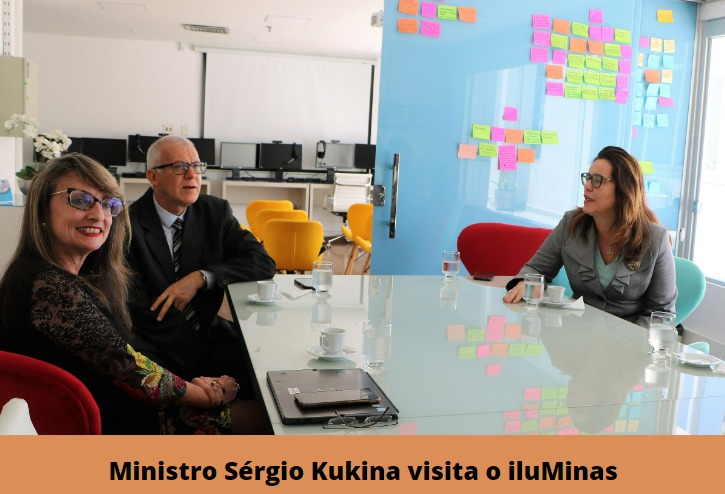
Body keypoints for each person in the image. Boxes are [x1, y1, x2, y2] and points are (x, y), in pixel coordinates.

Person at [0, 154, 251, 434]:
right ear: (42, 210)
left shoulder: (60, 276)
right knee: (261, 416)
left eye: (109, 205)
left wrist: (198, 387)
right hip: (103, 428)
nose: (99, 215)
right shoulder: (48, 286)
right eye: (80, 200)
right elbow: (128, 368)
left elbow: (126, 359)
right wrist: (208, 394)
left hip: (114, 409)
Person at [125, 135, 276, 399]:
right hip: (156, 343)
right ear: (153, 176)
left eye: (197, 166)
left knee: (262, 381)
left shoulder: (215, 212)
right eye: (180, 167)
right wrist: (197, 380)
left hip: (208, 332)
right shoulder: (128, 224)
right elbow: (139, 308)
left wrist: (201, 278)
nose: (192, 175)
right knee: (151, 395)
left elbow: (262, 262)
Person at [503, 146, 677, 328]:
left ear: (624, 190)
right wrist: (525, 282)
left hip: (628, 347)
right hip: (579, 339)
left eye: (598, 180)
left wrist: (628, 341)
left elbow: (661, 313)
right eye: (588, 178)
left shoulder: (656, 239)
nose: (587, 186)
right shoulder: (571, 224)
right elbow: (536, 269)